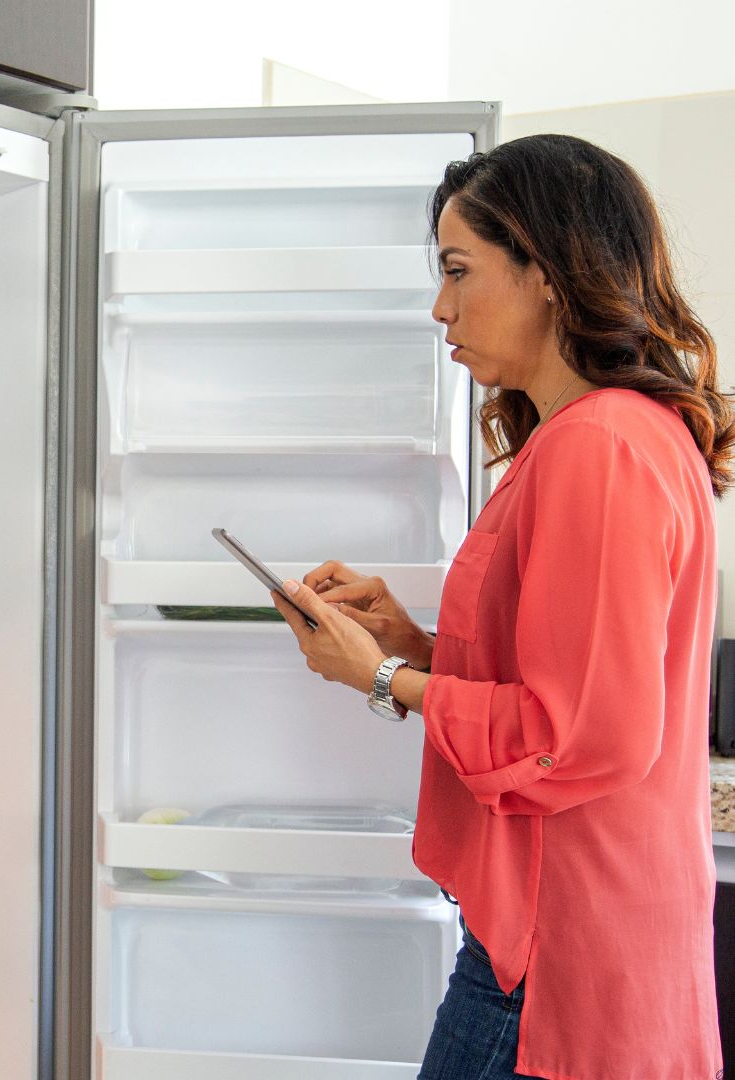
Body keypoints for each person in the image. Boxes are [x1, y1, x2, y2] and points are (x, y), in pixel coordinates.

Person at [270, 134, 731, 1079]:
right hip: (581, 937)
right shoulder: (613, 435)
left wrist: (385, 678)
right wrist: (414, 640)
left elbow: (580, 733)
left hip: (559, 957)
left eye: (458, 270)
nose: (441, 307)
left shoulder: (596, 447)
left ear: (549, 273)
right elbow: (571, 678)